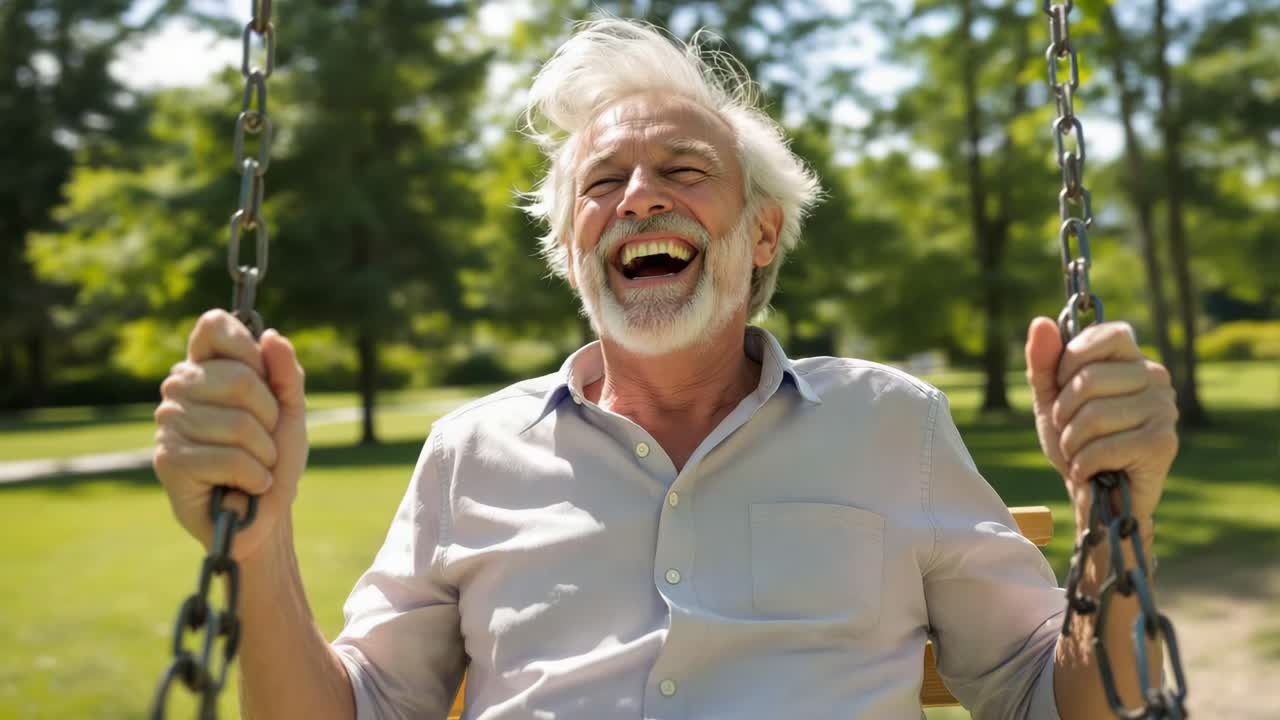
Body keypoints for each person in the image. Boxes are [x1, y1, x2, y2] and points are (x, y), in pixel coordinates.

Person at [152, 18, 1179, 720]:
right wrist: (259, 542)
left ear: (762, 232)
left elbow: (1060, 700)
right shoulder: (469, 453)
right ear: (569, 246)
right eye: (603, 184)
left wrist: (1109, 513)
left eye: (683, 171)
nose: (639, 197)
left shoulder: (890, 426)